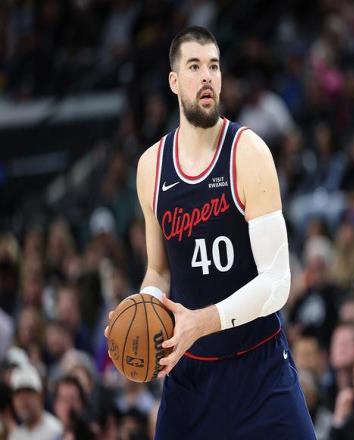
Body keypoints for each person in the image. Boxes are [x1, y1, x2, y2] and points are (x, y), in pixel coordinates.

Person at [105, 26, 315, 439]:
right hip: (190, 377)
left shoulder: (248, 153)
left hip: (259, 369)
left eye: (214, 66)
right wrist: (143, 306)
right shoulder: (151, 166)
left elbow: (277, 282)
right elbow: (159, 270)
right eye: (194, 66)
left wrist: (201, 322)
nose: (207, 76)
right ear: (174, 81)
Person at [8, 365, 63, 440]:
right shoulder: (15, 436)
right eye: (18, 394)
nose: (23, 399)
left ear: (40, 396)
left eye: (28, 392)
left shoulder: (57, 431)